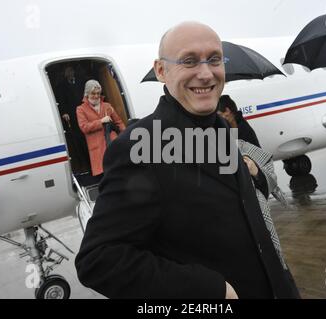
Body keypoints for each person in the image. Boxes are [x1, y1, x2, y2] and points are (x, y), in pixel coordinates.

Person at [75, 22, 299, 299]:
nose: (205, 74)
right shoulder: (139, 147)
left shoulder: (220, 127)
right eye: (189, 61)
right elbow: (99, 260)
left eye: (214, 59)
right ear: (161, 70)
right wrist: (209, 290)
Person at [76, 80, 126, 177]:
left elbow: (118, 122)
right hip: (98, 150)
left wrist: (126, 136)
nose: (96, 96)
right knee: (106, 177)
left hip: (113, 145)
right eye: (93, 93)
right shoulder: (80, 109)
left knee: (120, 174)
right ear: (87, 94)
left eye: (98, 93)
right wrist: (101, 122)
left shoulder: (107, 106)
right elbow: (84, 127)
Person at [56, 65, 90, 173]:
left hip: (86, 113)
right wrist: (64, 112)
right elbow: (61, 101)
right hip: (72, 116)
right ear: (65, 74)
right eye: (67, 72)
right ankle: (85, 164)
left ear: (73, 72)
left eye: (70, 71)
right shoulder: (61, 86)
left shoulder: (82, 81)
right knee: (78, 140)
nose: (69, 73)